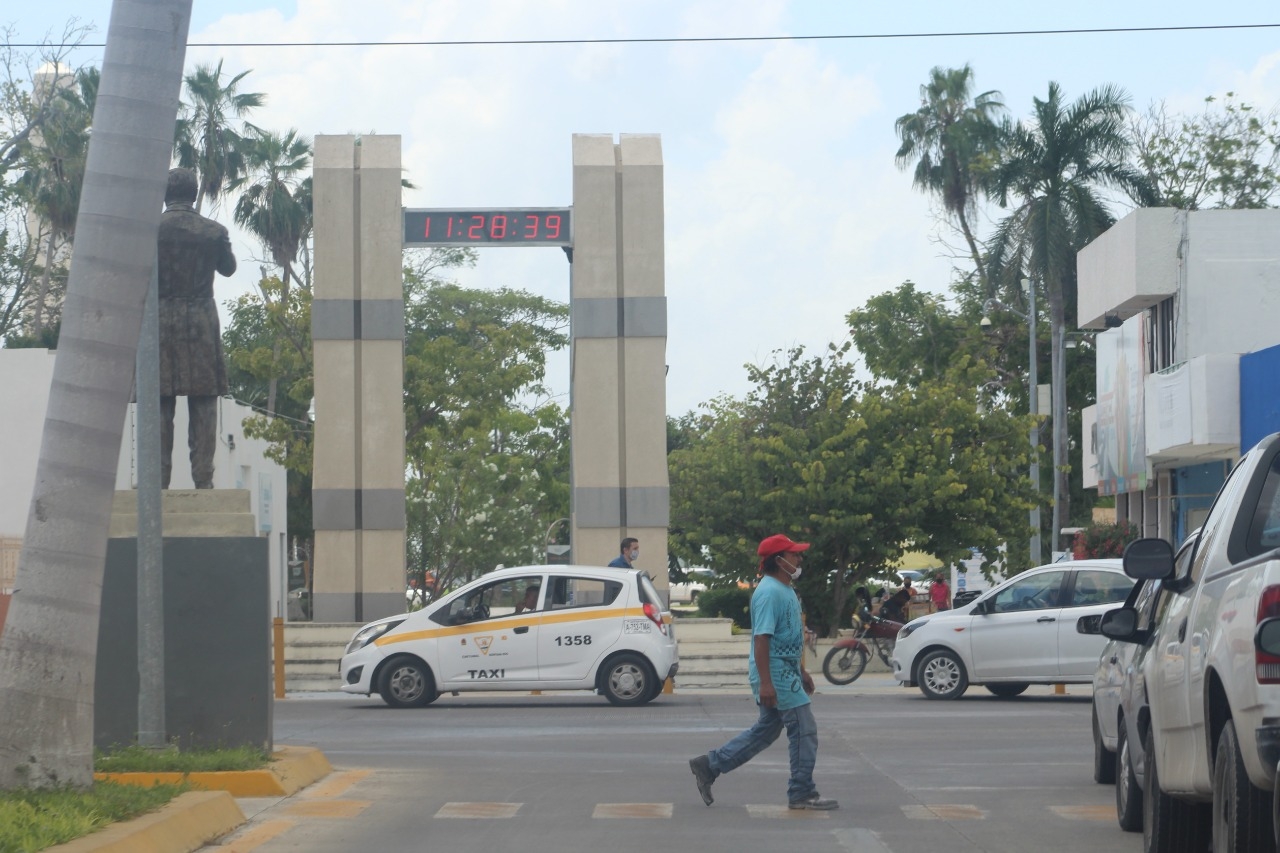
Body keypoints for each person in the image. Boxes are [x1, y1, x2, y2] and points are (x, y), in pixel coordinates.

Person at [688, 534, 838, 811]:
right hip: (776, 673)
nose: (799, 559)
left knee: (766, 731)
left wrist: (801, 670)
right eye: (794, 555)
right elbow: (762, 639)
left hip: (785, 671)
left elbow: (786, 637)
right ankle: (802, 792)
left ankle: (710, 765)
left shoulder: (785, 589)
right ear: (778, 560)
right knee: (804, 729)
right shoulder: (769, 592)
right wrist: (767, 683)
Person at [156, 167, 237, 489]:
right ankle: (204, 479)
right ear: (193, 194)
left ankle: (157, 481)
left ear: (165, 194)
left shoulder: (149, 230)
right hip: (201, 319)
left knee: (160, 403)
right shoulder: (213, 231)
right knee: (204, 400)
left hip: (160, 322)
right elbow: (229, 269)